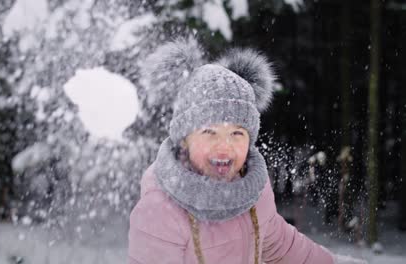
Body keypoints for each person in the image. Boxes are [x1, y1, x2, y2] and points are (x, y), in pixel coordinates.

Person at [128, 37, 366, 264]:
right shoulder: (161, 209)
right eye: (209, 132)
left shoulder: (254, 190)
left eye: (237, 133)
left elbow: (281, 245)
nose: (224, 146)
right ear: (184, 140)